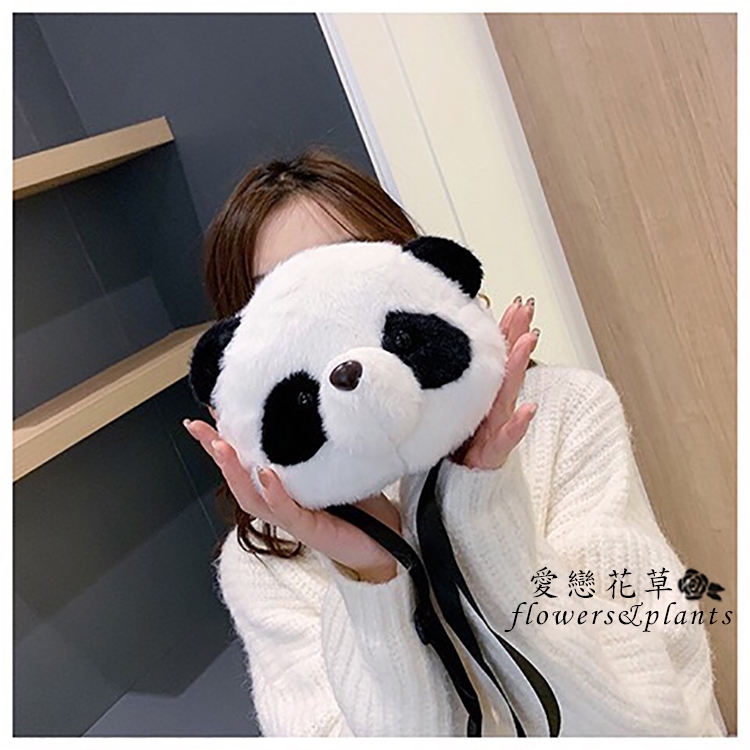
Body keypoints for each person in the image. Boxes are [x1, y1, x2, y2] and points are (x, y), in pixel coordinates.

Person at [183, 148, 724, 737]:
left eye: (349, 273)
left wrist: (479, 512)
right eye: (283, 301)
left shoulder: (561, 414)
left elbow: (656, 724)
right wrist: (374, 574)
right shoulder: (267, 559)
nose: (331, 329)